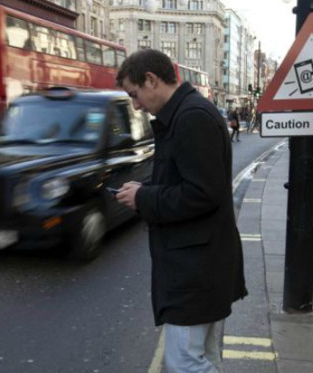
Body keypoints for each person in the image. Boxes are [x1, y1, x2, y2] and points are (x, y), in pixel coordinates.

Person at [114, 49, 248, 373]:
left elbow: (202, 193)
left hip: (195, 269)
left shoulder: (191, 118)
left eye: (135, 94)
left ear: (152, 79)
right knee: (205, 356)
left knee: (185, 362)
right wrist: (144, 189)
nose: (135, 105)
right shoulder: (185, 114)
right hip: (201, 265)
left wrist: (145, 199)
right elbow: (184, 177)